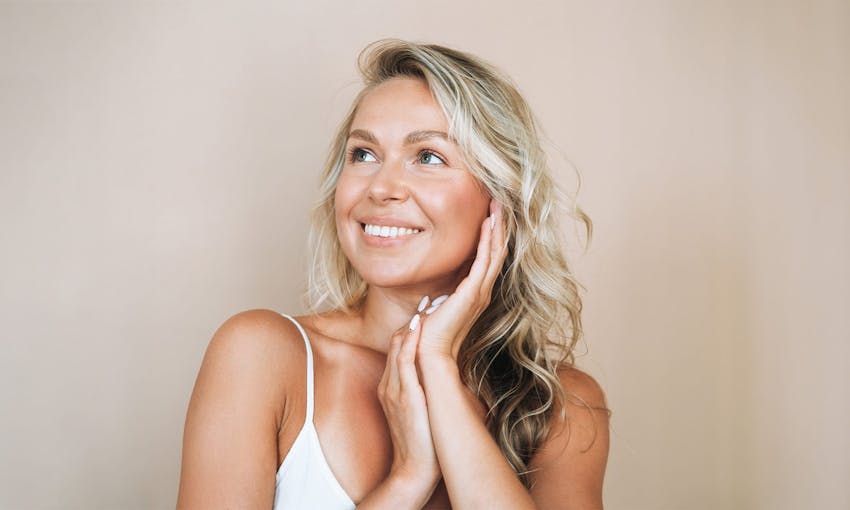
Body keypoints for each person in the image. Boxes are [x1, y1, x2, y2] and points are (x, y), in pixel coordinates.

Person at [177, 39, 610, 509]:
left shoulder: (562, 405)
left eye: (428, 157)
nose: (381, 187)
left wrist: (438, 367)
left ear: (499, 199)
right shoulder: (261, 355)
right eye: (363, 154)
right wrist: (409, 477)